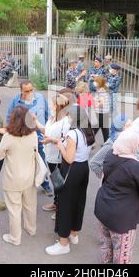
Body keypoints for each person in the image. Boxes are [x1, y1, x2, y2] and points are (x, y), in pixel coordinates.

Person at [94, 129, 139, 264]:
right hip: (122, 217)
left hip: (103, 208)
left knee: (106, 246)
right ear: (131, 144)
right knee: (122, 255)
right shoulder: (136, 167)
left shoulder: (111, 154)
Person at [45, 106, 95, 255]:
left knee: (65, 204)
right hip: (83, 169)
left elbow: (69, 157)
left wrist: (60, 145)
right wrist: (56, 140)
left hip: (71, 170)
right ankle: (73, 233)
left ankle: (63, 243)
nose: (68, 118)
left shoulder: (73, 134)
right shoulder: (88, 131)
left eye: (69, 116)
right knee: (79, 202)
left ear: (74, 117)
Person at [0, 106, 39, 245]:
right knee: (30, 205)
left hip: (13, 178)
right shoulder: (33, 134)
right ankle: (31, 229)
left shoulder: (8, 136)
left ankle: (15, 237)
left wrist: (8, 152)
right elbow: (35, 152)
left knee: (14, 209)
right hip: (30, 176)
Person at [6, 79, 53, 197]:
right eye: (26, 91)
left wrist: (48, 130)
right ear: (21, 91)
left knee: (42, 162)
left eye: (31, 90)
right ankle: (26, 187)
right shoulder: (15, 102)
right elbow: (9, 120)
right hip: (23, 139)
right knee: (25, 164)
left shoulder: (40, 98)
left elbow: (47, 115)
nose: (29, 93)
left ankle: (45, 185)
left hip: (40, 138)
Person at [37, 92, 72, 218]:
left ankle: (60, 209)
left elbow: (66, 140)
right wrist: (36, 122)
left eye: (52, 105)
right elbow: (47, 131)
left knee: (59, 183)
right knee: (55, 182)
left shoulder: (66, 122)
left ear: (58, 106)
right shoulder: (52, 118)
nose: (50, 107)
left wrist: (50, 140)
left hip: (58, 158)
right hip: (49, 155)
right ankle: (56, 203)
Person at [90, 114, 131, 179]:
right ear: (123, 128)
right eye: (129, 125)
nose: (132, 127)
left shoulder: (127, 139)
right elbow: (94, 163)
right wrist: (106, 178)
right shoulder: (111, 144)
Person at [93, 76, 111, 143]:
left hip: (101, 113)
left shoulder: (101, 91)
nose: (94, 83)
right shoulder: (101, 90)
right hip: (103, 113)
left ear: (99, 83)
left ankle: (88, 143)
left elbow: (100, 103)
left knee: (95, 129)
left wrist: (93, 105)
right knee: (104, 130)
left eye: (96, 81)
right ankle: (107, 143)